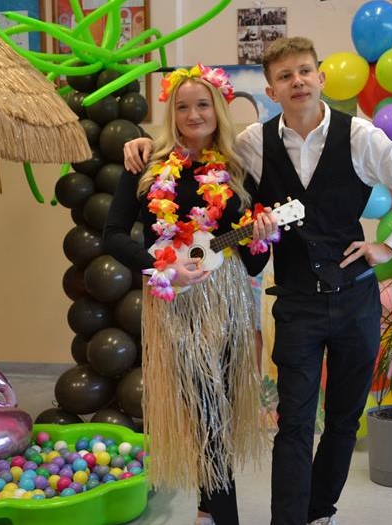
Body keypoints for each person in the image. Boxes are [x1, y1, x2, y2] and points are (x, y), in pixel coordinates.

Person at [123, 37, 392, 525]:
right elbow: (197, 141)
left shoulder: (361, 137)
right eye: (284, 76)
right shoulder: (252, 143)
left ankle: (320, 512)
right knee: (294, 423)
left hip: (356, 300)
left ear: (320, 78)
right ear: (272, 90)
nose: (297, 81)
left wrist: (390, 246)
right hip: (296, 304)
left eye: (304, 71)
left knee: (342, 421)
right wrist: (145, 144)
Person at [103, 64, 276, 525]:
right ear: (171, 113)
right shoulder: (147, 164)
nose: (193, 114)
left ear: (218, 110)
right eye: (182, 106)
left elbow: (254, 262)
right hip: (173, 298)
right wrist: (160, 266)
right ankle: (223, 514)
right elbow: (112, 234)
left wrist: (261, 235)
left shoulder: (239, 169)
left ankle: (207, 508)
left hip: (227, 299)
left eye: (202, 105)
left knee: (218, 406)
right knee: (204, 407)